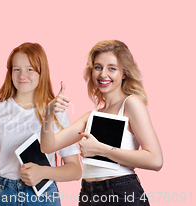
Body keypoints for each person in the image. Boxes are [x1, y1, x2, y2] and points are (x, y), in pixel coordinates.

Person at [40, 40, 163, 206]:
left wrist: (102, 150)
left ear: (124, 73)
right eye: (98, 67)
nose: (103, 74)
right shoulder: (91, 116)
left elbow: (155, 160)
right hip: (88, 194)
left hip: (121, 193)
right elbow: (48, 146)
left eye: (112, 68)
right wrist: (49, 114)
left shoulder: (131, 104)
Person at [0, 42, 82, 206]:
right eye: (17, 69)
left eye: (30, 69)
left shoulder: (55, 111)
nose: (22, 75)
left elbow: (75, 170)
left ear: (41, 72)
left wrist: (43, 172)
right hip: (0, 193)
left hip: (42, 196)